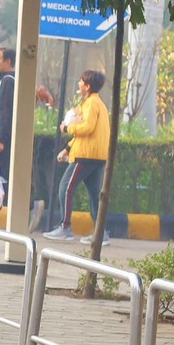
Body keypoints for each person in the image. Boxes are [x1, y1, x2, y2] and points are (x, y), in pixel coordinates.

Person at [44, 68, 111, 240]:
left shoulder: (91, 104)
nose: (79, 83)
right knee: (95, 194)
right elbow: (89, 133)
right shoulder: (98, 104)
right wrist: (68, 148)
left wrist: (68, 128)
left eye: (81, 81)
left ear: (87, 86)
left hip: (86, 155)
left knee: (65, 188)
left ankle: (65, 227)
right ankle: (101, 233)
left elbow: (87, 128)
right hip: (97, 155)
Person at [0, 46, 53, 199]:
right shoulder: (8, 80)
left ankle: (17, 206)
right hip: (7, 139)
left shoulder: (8, 81)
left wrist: (1, 139)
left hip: (5, 141)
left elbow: (6, 111)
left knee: (2, 178)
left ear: (8, 61)